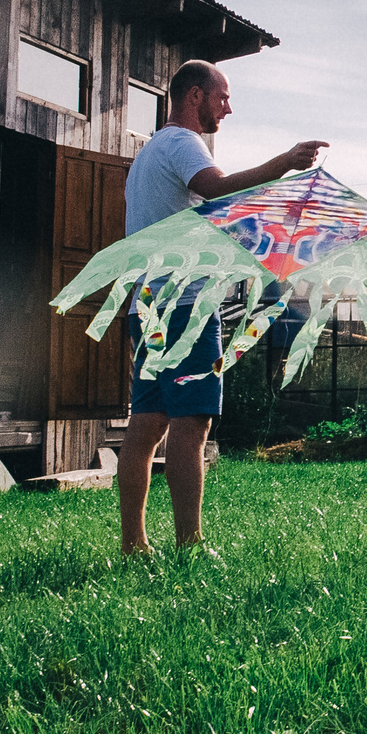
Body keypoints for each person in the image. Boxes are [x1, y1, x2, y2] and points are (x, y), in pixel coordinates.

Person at [117, 59, 327, 557]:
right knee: (193, 423)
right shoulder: (184, 143)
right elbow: (217, 188)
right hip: (184, 303)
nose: (228, 108)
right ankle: (189, 545)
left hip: (146, 302)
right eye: (223, 98)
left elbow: (200, 219)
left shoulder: (149, 155)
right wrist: (286, 162)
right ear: (194, 95)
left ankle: (135, 544)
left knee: (147, 422)